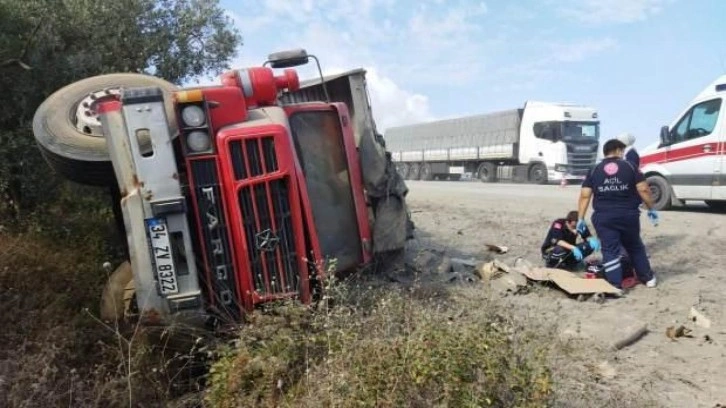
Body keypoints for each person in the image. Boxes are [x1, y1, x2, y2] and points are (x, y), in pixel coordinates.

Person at [577, 139, 659, 289]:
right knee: (634, 246)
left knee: (609, 250)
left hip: (603, 216)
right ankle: (648, 278)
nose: (623, 154)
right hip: (628, 215)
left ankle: (615, 284)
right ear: (617, 150)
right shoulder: (630, 166)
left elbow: (585, 195)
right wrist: (651, 208)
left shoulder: (594, 169)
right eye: (622, 151)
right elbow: (644, 189)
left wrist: (580, 218)